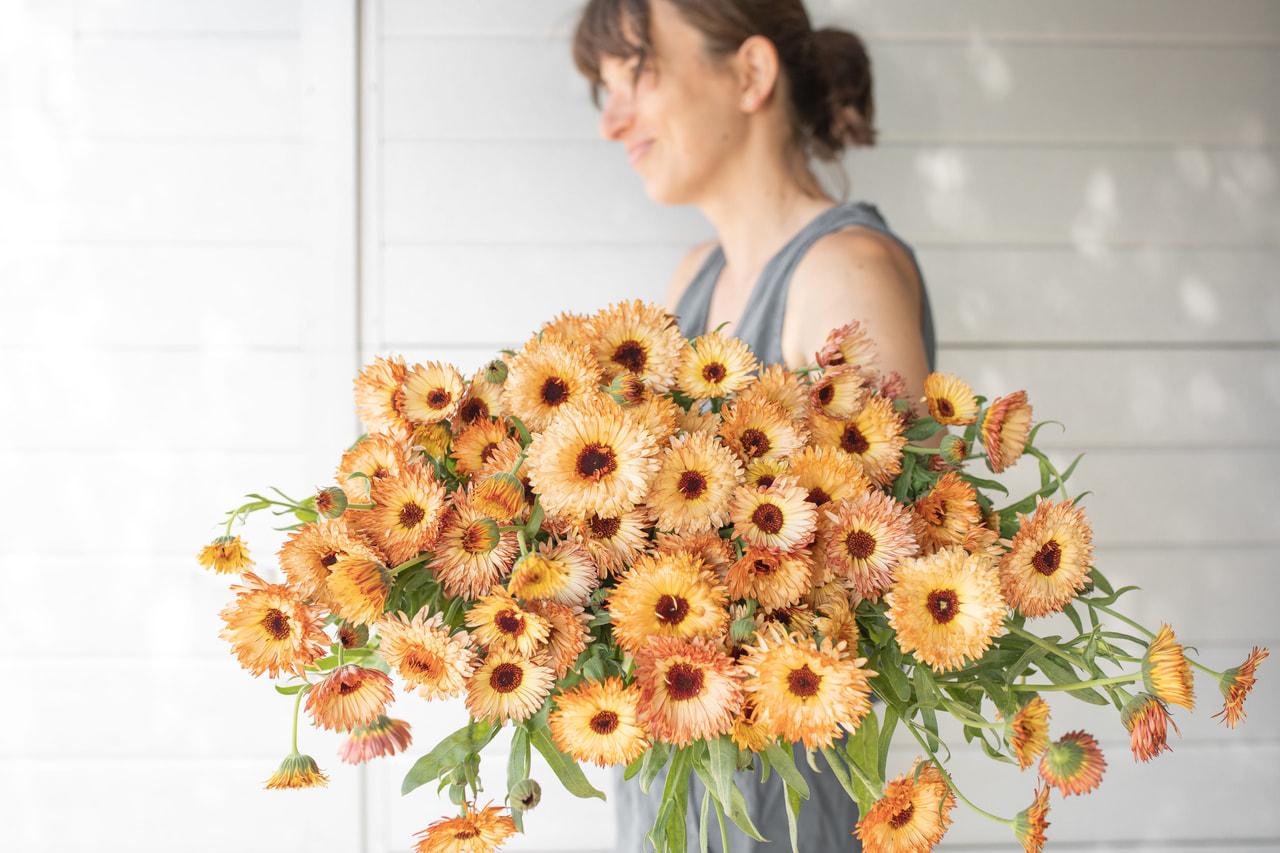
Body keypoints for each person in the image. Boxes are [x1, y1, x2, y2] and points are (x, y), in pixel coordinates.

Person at [571, 1, 936, 850]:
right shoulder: (692, 281)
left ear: (750, 74)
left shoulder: (845, 273)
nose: (612, 120)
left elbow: (887, 583)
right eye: (603, 89)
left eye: (638, 75)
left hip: (776, 810)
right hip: (672, 793)